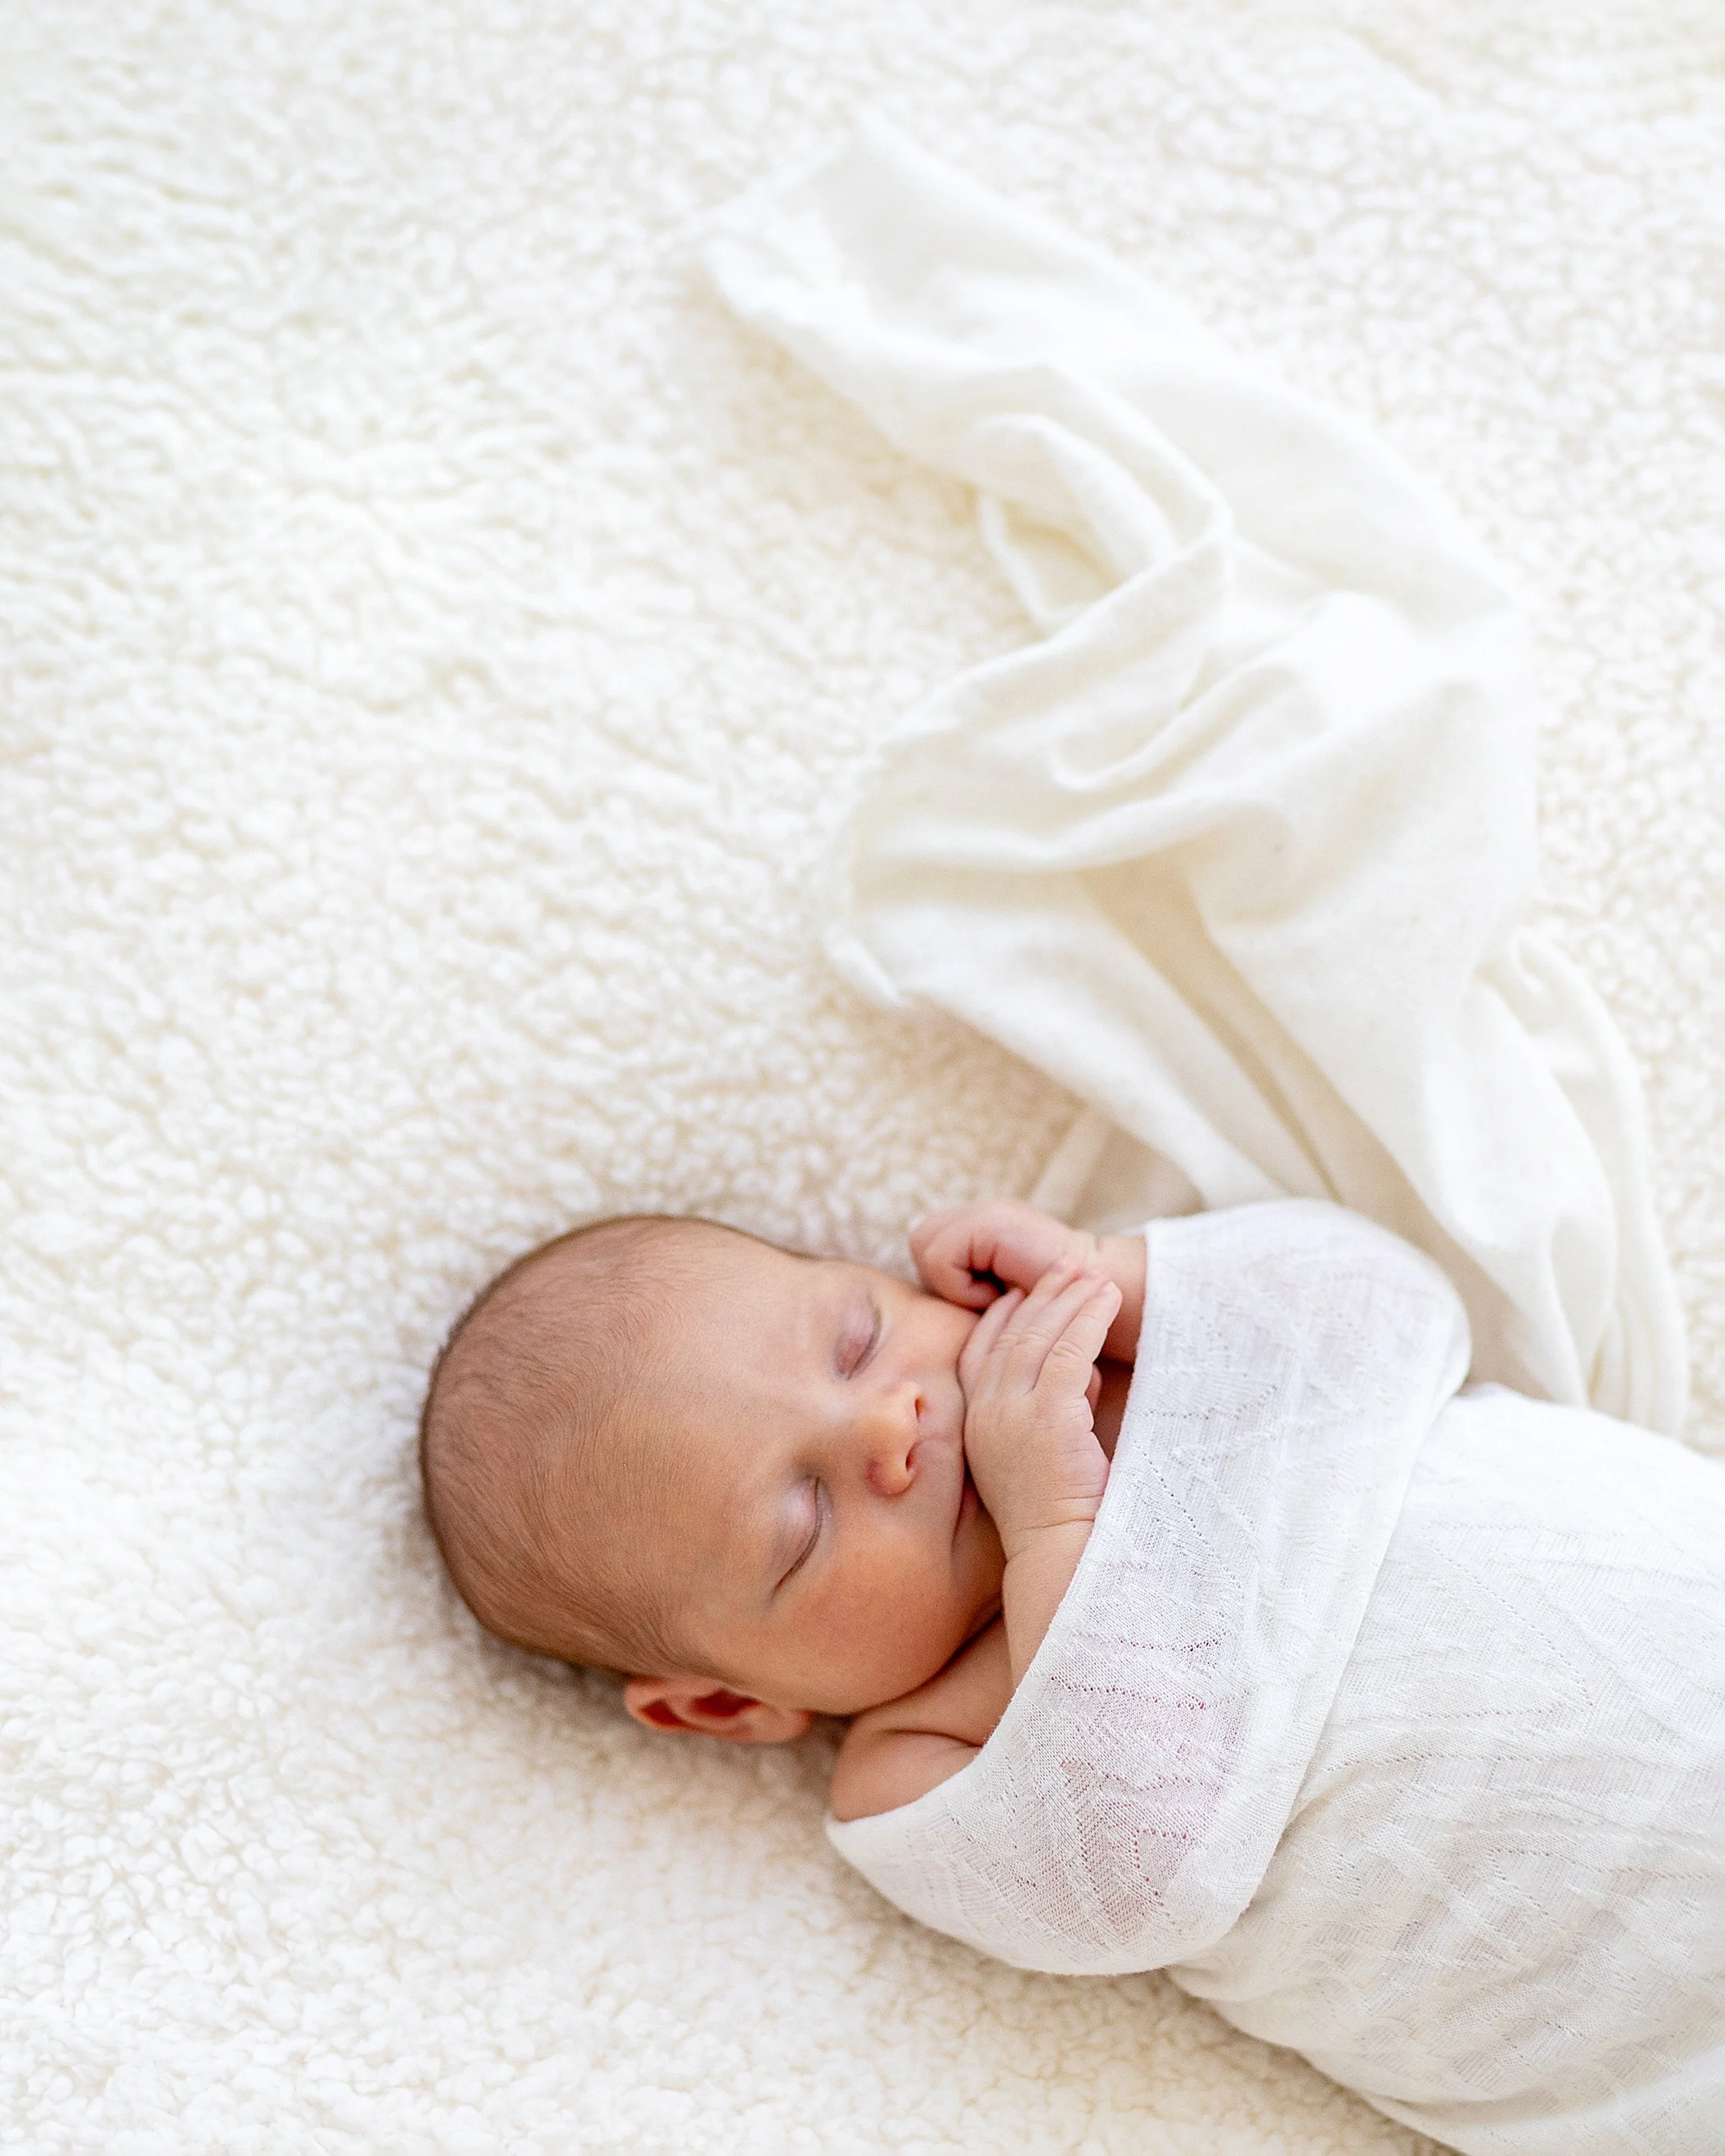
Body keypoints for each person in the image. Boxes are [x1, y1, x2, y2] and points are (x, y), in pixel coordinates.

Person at [418, 1199, 1137, 1821]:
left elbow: (1249, 1301)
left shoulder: (1083, 1343)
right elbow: (1139, 1870)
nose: (890, 1424)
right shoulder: (912, 1766)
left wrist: (1108, 1272)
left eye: (860, 1342)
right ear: (727, 1704)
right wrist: (1052, 1522)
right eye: (806, 1523)